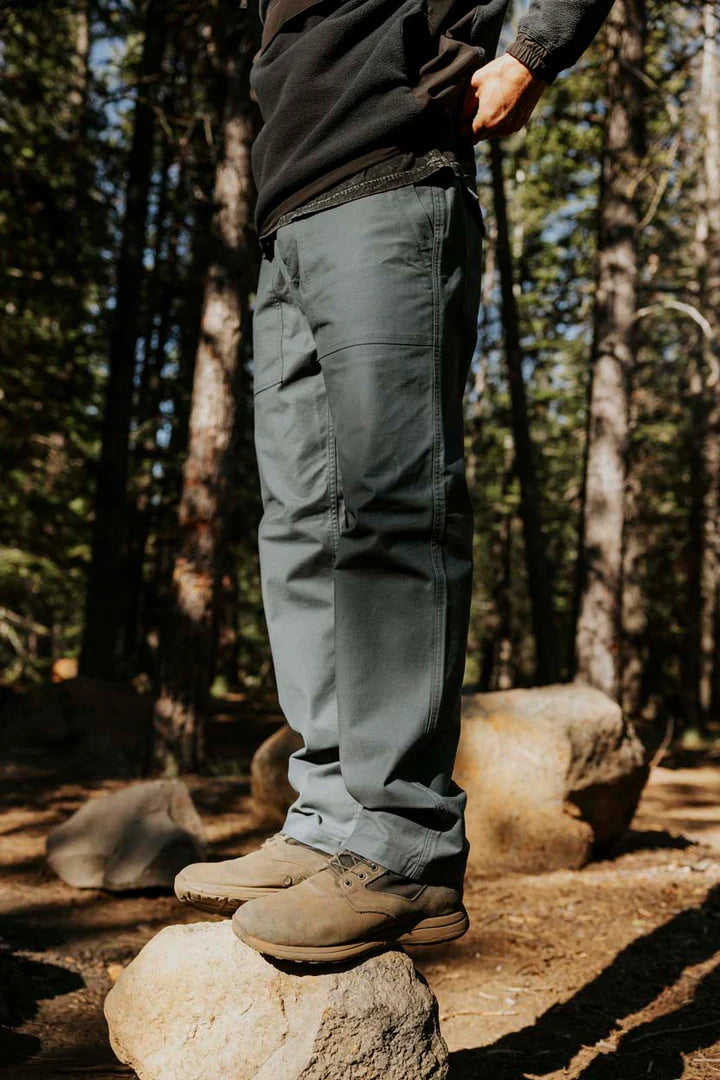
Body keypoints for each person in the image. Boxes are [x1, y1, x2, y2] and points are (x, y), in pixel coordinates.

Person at [175, 0, 615, 963]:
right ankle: (328, 820)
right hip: (289, 211)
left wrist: (532, 53)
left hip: (393, 178)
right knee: (299, 527)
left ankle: (404, 847)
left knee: (389, 511)